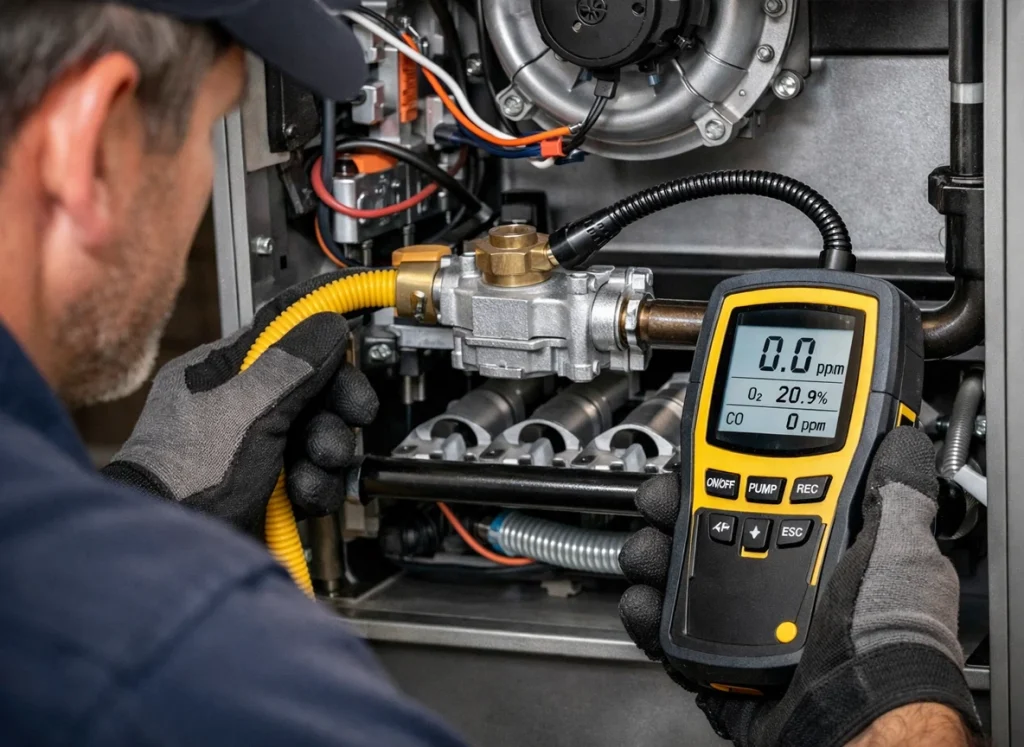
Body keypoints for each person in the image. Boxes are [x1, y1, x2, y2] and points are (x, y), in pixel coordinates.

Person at [0, 1, 983, 745]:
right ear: (88, 148)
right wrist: (887, 712)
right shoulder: (196, 667)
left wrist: (144, 509)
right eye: (213, 132)